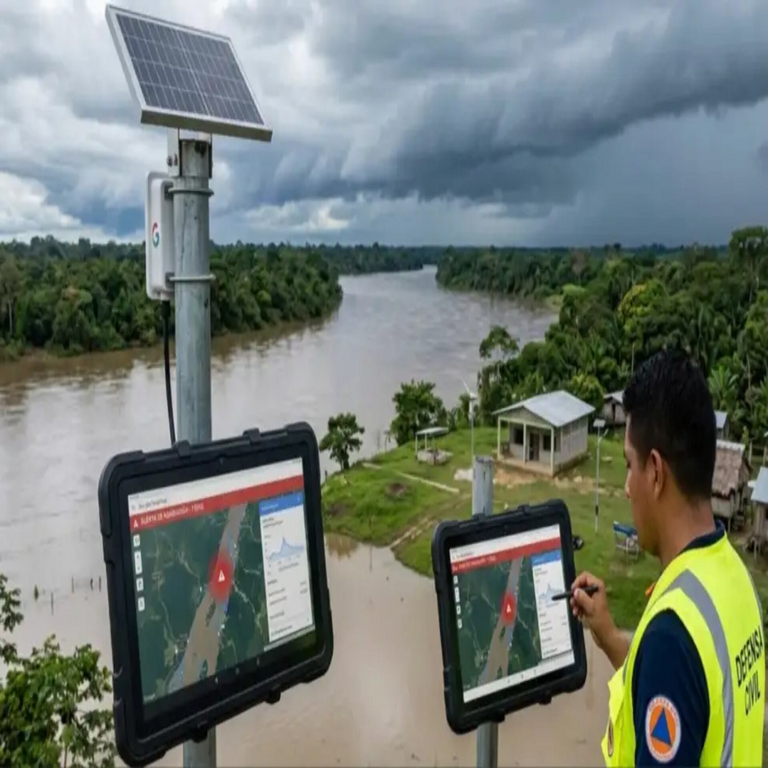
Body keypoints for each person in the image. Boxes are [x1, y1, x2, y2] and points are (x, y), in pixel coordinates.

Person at [571, 349, 765, 766]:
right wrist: (609, 636)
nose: (626, 487)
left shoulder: (672, 635)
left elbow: (676, 668)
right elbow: (692, 697)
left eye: (628, 465)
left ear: (655, 472)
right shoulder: (735, 578)